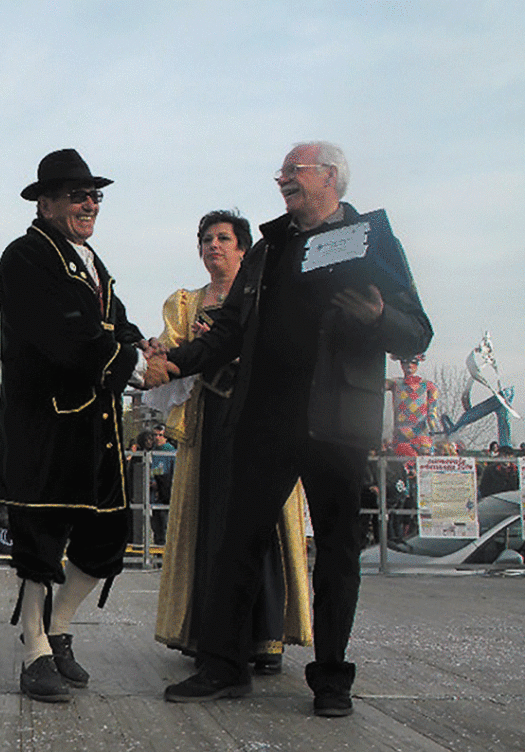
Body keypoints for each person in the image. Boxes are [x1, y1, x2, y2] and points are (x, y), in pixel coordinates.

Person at [162, 142, 432, 717]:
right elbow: (231, 328)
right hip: (267, 418)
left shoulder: (373, 241)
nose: (281, 178)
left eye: (294, 171)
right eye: (282, 171)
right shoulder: (268, 247)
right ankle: (224, 666)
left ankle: (331, 680)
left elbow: (418, 333)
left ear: (330, 178)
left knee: (336, 551)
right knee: (237, 541)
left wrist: (379, 317)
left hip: (339, 422)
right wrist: (178, 362)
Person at [0, 149, 174, 703]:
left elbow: (113, 322)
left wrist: (144, 346)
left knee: (106, 538)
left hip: (97, 429)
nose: (89, 204)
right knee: (40, 542)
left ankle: (60, 626)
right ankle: (34, 646)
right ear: (45, 203)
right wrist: (133, 363)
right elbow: (65, 333)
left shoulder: (89, 259)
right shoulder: (25, 258)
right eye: (76, 195)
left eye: (95, 196)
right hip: (47, 425)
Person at [153, 210, 311, 673]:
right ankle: (208, 634)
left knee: (261, 526)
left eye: (223, 238)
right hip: (209, 423)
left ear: (244, 249)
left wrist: (233, 347)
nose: (213, 246)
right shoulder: (184, 303)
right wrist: (158, 356)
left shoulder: (268, 294)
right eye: (205, 239)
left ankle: (264, 636)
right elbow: (173, 357)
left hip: (260, 418)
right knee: (211, 525)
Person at [385, 354, 439, 454]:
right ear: (401, 364)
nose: (409, 365)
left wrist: (432, 420)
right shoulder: (395, 383)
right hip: (401, 431)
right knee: (402, 452)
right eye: (405, 362)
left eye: (413, 362)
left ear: (417, 364)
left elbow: (432, 406)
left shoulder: (427, 385)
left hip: (420, 430)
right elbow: (378, 384)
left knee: (425, 452)